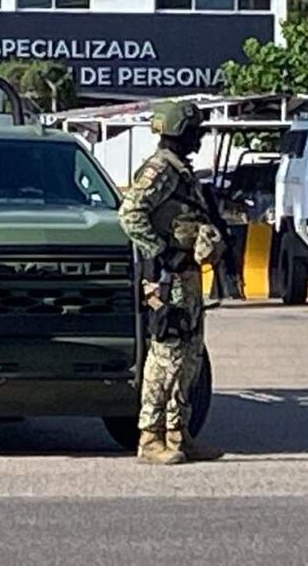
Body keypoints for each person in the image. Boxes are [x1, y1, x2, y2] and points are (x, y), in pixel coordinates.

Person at [118, 101, 226, 465]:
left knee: (189, 357)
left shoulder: (181, 170)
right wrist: (160, 252)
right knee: (165, 356)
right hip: (168, 277)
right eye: (195, 130)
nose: (199, 138)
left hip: (188, 276)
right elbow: (130, 213)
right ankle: (150, 438)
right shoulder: (160, 169)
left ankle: (179, 434)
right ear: (181, 131)